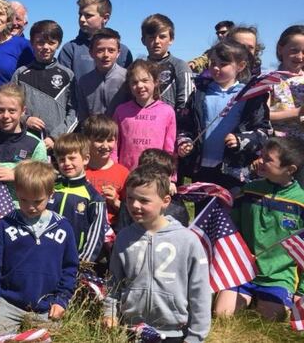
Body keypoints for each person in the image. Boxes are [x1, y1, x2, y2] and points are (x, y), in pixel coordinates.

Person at [103, 165, 211, 343]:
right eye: (130, 198)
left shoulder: (187, 240)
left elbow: (200, 292)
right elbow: (113, 282)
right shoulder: (123, 237)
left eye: (144, 200)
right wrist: (110, 313)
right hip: (131, 329)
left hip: (174, 333)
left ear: (165, 201)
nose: (135, 205)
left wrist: (195, 337)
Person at [0, 161, 78, 336]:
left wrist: (62, 300)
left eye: (38, 201)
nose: (31, 207)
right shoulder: (6, 225)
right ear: (17, 192)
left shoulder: (63, 227)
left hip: (46, 307)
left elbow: (70, 268)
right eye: (24, 200)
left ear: (50, 194)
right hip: (8, 302)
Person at [215, 137, 304, 321]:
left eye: (268, 159)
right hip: (243, 271)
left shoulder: (300, 202)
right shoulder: (249, 190)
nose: (260, 161)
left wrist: (301, 291)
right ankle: (250, 297)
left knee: (272, 319)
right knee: (222, 315)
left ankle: (266, 300)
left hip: (278, 276)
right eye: (261, 156)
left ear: (290, 169)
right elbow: (231, 228)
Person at [177, 40, 270, 190]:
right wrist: (185, 141)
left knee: (231, 210)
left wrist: (241, 140)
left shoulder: (250, 95)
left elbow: (263, 132)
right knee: (204, 210)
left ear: (240, 66)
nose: (216, 68)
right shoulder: (199, 93)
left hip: (234, 169)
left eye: (223, 64)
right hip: (202, 167)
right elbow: (185, 124)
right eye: (213, 62)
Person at [0, 83, 47, 240]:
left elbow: (44, 181)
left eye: (12, 111)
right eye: (0, 110)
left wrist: (16, 176)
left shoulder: (35, 144)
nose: (6, 116)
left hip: (21, 219)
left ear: (23, 111)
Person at [12, 20, 77, 150]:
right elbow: (10, 106)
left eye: (51, 43)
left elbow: (74, 113)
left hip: (58, 146)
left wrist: (55, 137)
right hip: (27, 144)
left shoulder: (67, 75)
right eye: (40, 42)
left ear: (58, 44)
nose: (46, 47)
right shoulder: (21, 74)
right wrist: (25, 119)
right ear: (32, 43)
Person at [47, 133, 107, 263]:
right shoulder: (50, 188)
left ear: (85, 159)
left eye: (72, 158)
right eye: (62, 159)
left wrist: (82, 262)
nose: (67, 163)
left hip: (73, 262)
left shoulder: (94, 198)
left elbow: (96, 235)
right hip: (45, 257)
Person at [112, 60, 176, 170]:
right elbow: (113, 145)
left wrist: (170, 177)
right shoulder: (121, 111)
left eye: (145, 80)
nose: (140, 85)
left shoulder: (167, 111)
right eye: (134, 82)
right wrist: (113, 170)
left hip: (156, 175)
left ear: (156, 82)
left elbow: (170, 149)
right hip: (126, 174)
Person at [57, 0, 132, 78]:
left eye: (88, 15)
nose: (82, 19)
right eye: (80, 14)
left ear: (105, 18)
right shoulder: (70, 49)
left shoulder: (123, 51)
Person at [114, 149, 189, 232]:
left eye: (167, 176)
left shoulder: (177, 207)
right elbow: (122, 232)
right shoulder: (129, 203)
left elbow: (181, 237)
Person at [81, 115, 129, 228]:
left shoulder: (123, 173)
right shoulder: (78, 170)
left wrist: (115, 201)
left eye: (110, 140)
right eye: (99, 140)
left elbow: (131, 212)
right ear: (87, 141)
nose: (105, 145)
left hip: (112, 232)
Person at [75, 28, 130, 124]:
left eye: (111, 50)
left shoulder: (127, 78)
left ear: (118, 53)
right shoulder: (84, 81)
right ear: (91, 53)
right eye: (100, 50)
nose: (106, 55)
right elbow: (82, 115)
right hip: (93, 135)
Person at [140, 13, 193, 111]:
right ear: (143, 40)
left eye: (162, 37)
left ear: (171, 40)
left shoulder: (180, 66)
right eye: (152, 37)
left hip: (173, 124)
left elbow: (186, 103)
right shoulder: (138, 69)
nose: (157, 41)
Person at [268, 25, 304, 139]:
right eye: (294, 51)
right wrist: (297, 112)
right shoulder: (268, 80)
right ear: (280, 49)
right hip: (281, 148)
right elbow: (263, 115)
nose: (300, 56)